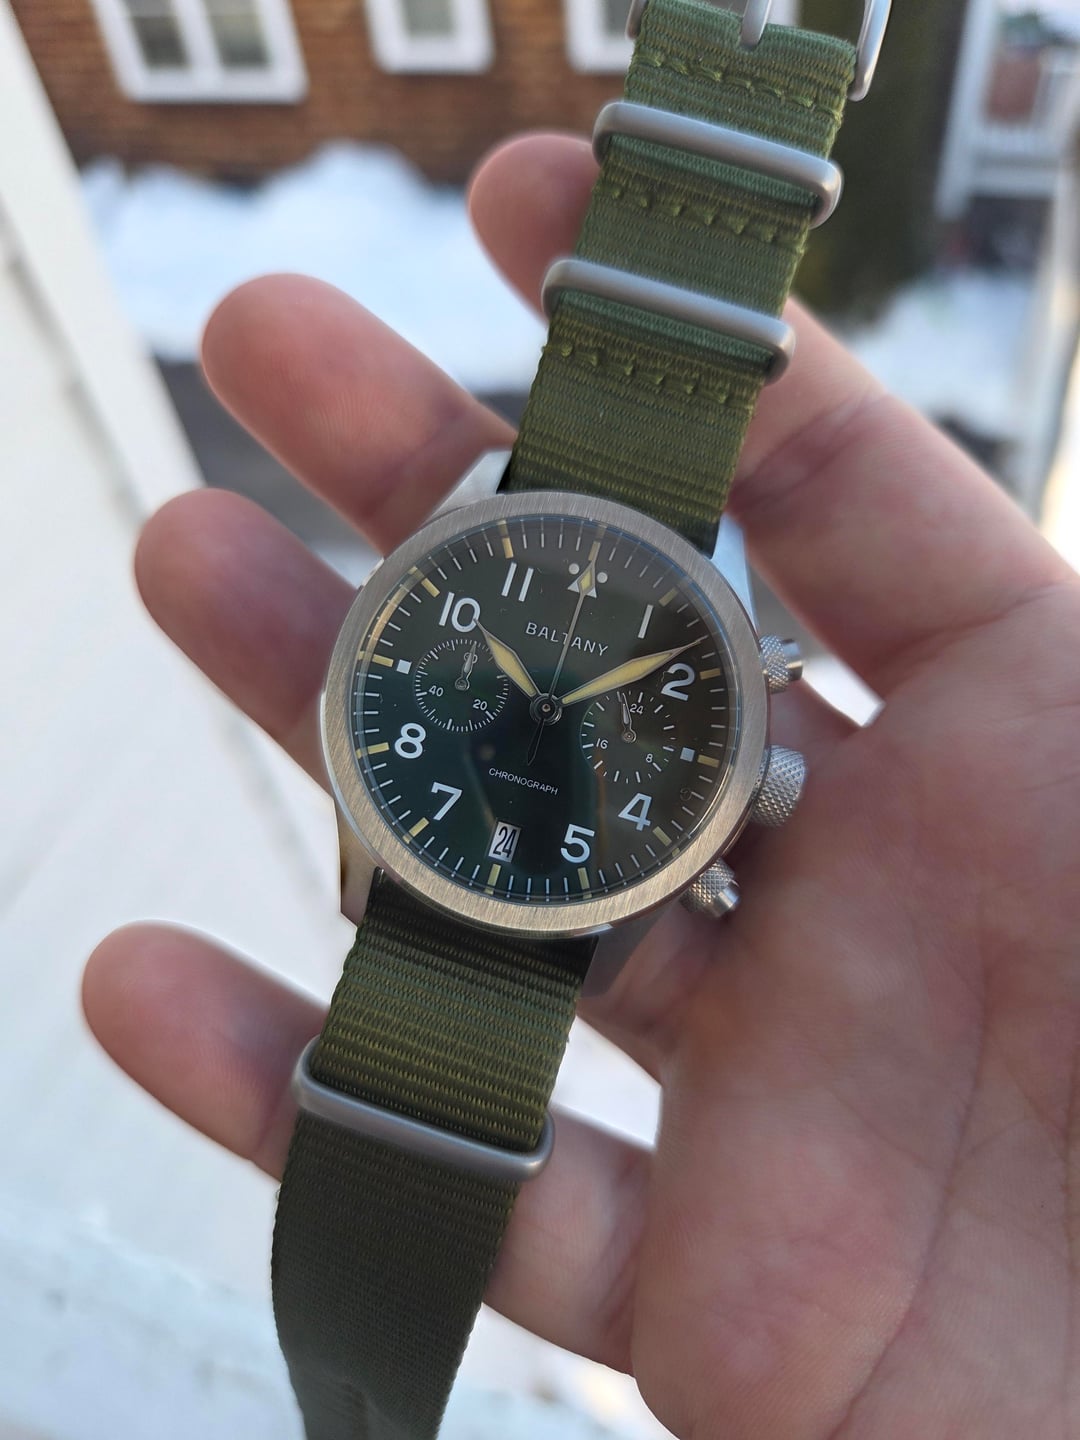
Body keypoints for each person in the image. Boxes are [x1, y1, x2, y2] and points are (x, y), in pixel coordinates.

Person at [82, 132, 1080, 1439]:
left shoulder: (686, 775)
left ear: (748, 786)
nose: (546, 714)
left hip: (523, 864)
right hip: (461, 835)